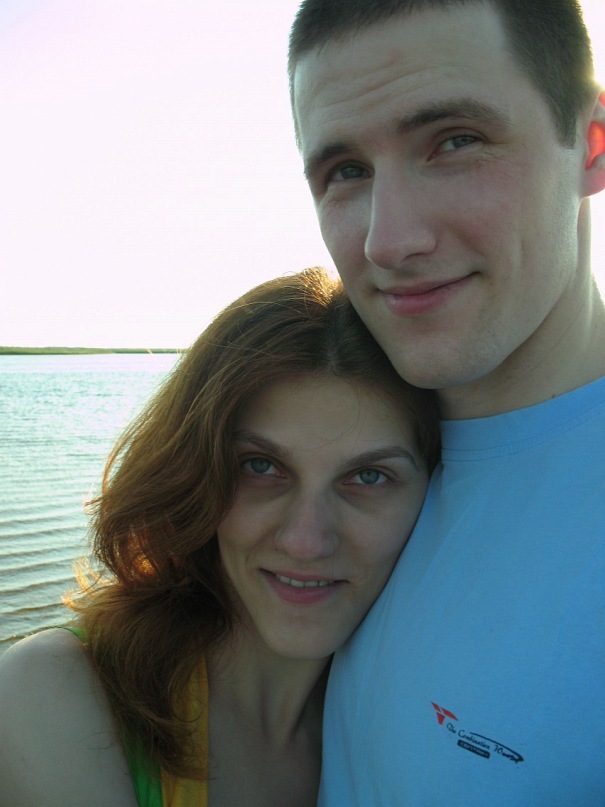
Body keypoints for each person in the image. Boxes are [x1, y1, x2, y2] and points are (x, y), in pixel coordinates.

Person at [288, 0, 605, 804]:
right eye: (345, 171)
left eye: (454, 141)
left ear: (591, 144)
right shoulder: (331, 461)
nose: (387, 241)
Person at [0, 267, 439, 806]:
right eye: (260, 466)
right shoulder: (59, 694)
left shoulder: (424, 727)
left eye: (368, 477)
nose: (305, 541)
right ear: (194, 474)